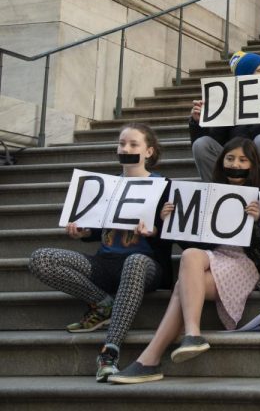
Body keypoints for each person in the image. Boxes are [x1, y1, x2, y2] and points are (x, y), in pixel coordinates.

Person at [109, 138, 260, 384]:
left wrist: (258, 224)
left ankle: (149, 360)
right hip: (212, 258)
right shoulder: (208, 194)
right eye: (230, 158)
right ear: (221, 162)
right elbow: (197, 243)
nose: (235, 164)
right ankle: (192, 333)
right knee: (190, 254)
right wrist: (168, 223)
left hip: (244, 265)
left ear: (253, 165)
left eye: (243, 159)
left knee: (183, 286)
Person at [28, 123, 172, 382]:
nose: (125, 148)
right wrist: (83, 233)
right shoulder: (106, 185)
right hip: (104, 263)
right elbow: (97, 230)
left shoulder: (164, 186)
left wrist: (157, 228)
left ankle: (110, 352)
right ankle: (104, 305)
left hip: (144, 265)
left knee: (135, 261)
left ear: (149, 151)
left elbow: (174, 234)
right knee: (41, 258)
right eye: (121, 143)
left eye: (133, 144)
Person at [189, 51, 260, 189]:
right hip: (236, 169)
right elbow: (217, 142)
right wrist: (198, 124)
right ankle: (217, 194)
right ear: (245, 77)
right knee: (201, 144)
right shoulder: (229, 100)